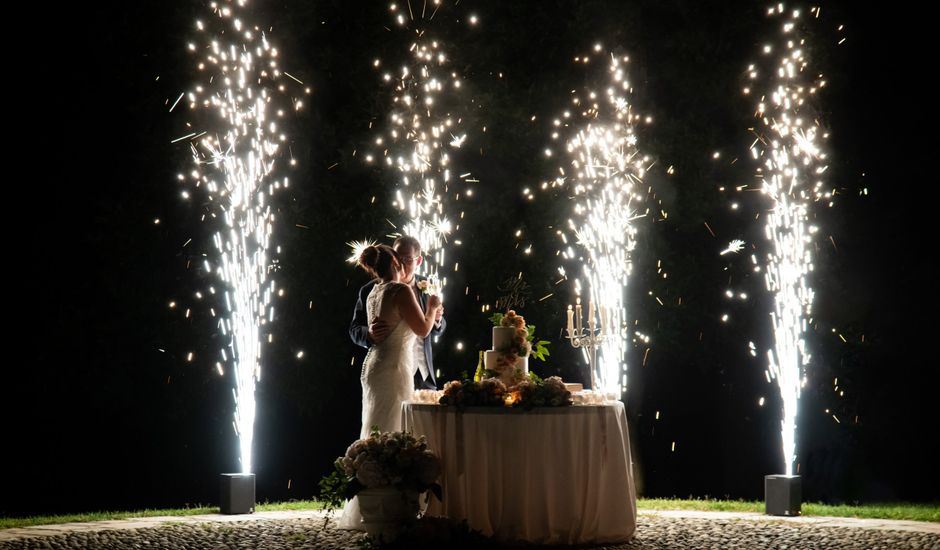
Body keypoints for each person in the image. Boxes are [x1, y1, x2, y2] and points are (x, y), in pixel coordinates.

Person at [339, 243, 442, 530]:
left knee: (377, 426)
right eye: (403, 259)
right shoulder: (399, 290)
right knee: (394, 427)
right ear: (396, 261)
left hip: (376, 367)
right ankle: (391, 503)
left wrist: (437, 316)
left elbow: (428, 329)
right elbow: (422, 329)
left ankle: (377, 499)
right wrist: (432, 307)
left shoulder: (377, 290)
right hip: (395, 368)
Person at [349, 236, 446, 389]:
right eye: (397, 257)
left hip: (424, 375)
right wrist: (369, 334)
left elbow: (437, 328)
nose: (400, 263)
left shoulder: (428, 285)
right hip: (389, 370)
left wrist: (438, 319)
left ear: (418, 261)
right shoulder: (369, 289)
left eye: (407, 259)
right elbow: (354, 330)